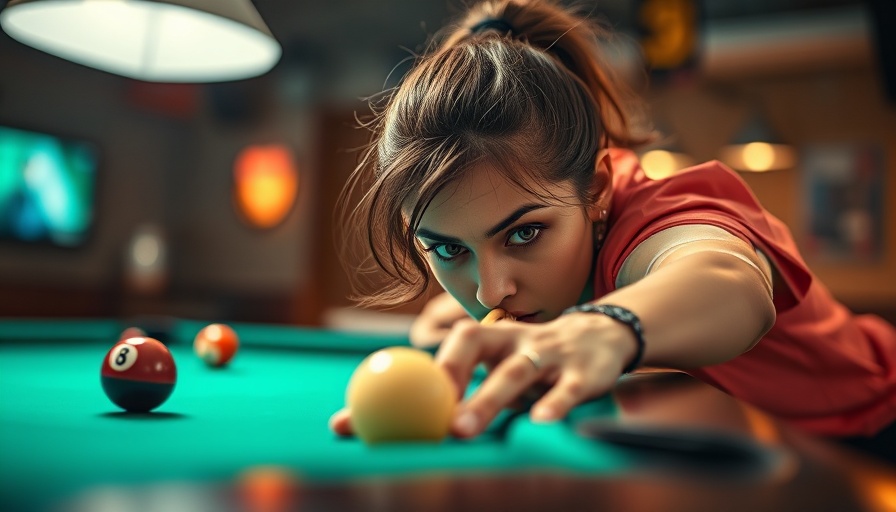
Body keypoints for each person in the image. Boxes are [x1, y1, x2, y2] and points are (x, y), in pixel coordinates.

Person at [328, 0, 896, 455]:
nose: (489, 290)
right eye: (449, 249)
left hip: (869, 435)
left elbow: (727, 279)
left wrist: (606, 327)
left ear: (597, 191)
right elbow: (450, 314)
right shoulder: (509, 280)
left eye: (523, 234)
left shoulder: (661, 211)